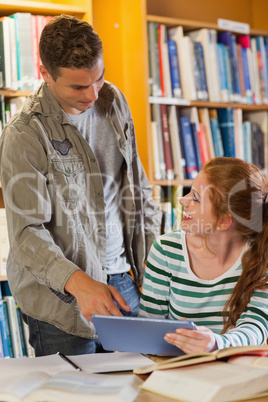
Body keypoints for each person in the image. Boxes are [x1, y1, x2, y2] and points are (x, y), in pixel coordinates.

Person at [0, 14, 161, 356]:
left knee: (135, 389)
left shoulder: (113, 100)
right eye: (77, 86)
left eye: (98, 79)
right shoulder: (24, 134)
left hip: (123, 279)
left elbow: (137, 185)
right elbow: (27, 233)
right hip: (61, 301)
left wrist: (154, 263)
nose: (92, 94)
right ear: (45, 74)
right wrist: (80, 284)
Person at [139, 157, 268, 354]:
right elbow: (148, 329)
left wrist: (215, 344)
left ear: (224, 221)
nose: (183, 200)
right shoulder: (166, 250)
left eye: (196, 198)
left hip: (233, 370)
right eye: (189, 191)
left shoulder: (260, 257)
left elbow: (256, 328)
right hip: (174, 368)